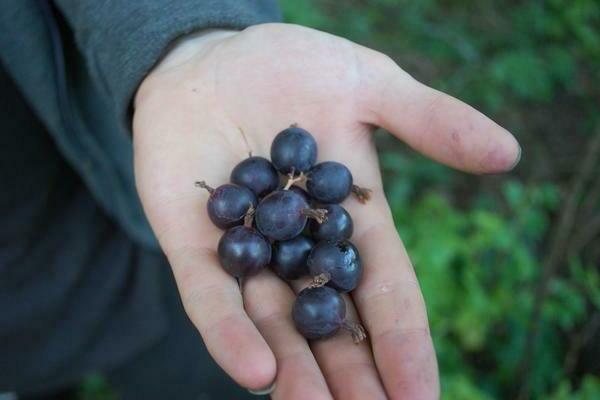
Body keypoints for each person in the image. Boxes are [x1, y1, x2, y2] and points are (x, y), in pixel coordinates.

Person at [0, 1, 520, 399]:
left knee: (218, 371)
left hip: (132, 262)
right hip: (20, 339)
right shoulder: (286, 223)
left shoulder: (292, 209)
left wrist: (187, 37)